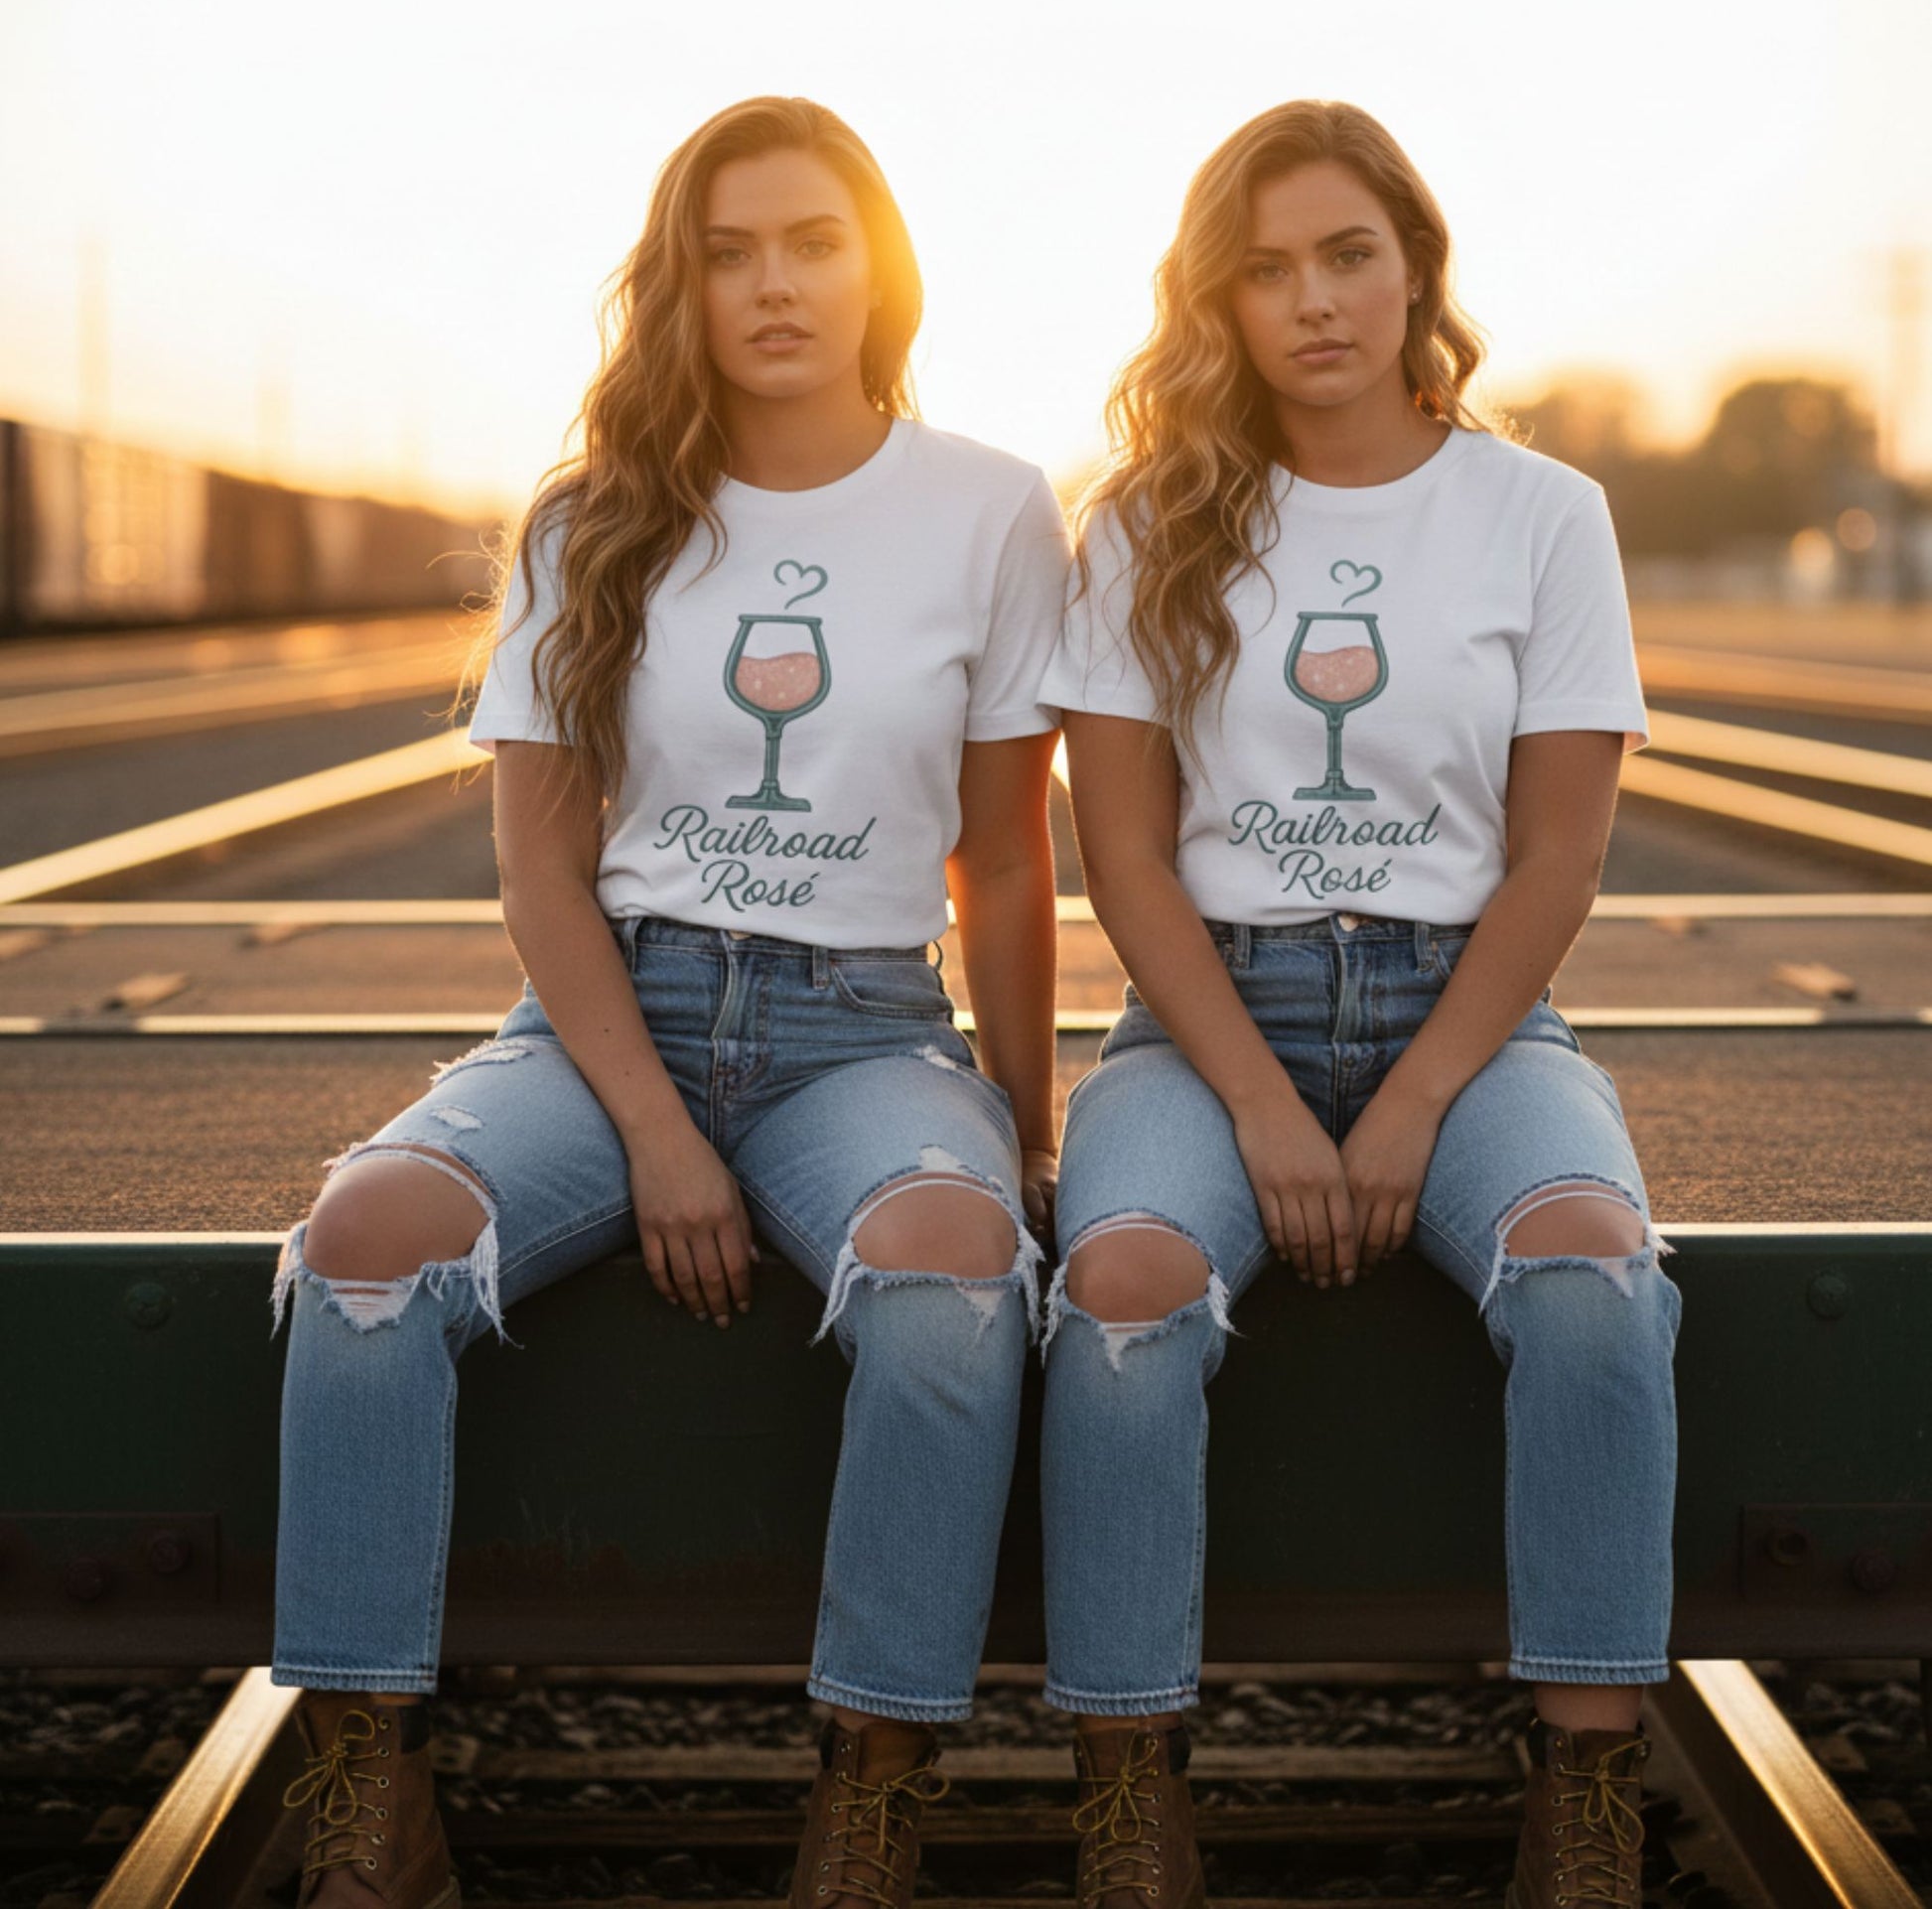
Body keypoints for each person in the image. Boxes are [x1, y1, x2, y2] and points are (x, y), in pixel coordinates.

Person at [267, 95, 1067, 1909]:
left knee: (952, 1279)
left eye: (811, 242)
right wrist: (650, 1131)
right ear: (680, 287)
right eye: (727, 252)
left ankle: (864, 1798)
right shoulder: (590, 518)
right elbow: (541, 872)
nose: (772, 285)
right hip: (615, 1013)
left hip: (863, 1035)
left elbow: (1005, 867)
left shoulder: (994, 512)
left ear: (882, 266)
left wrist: (1025, 1130)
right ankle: (367, 1796)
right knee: (366, 1237)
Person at [1037, 100, 1680, 1909]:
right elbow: (1128, 865)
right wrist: (1257, 1102)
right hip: (1210, 1016)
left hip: (1463, 1014)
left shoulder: (1543, 514)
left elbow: (1554, 859)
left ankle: (1583, 1798)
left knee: (1590, 1272)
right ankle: (1130, 1789)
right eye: (1261, 270)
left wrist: (1407, 1103)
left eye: (1346, 255)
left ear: (1414, 271)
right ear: (1215, 303)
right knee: (1122, 1285)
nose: (1310, 300)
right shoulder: (1150, 520)